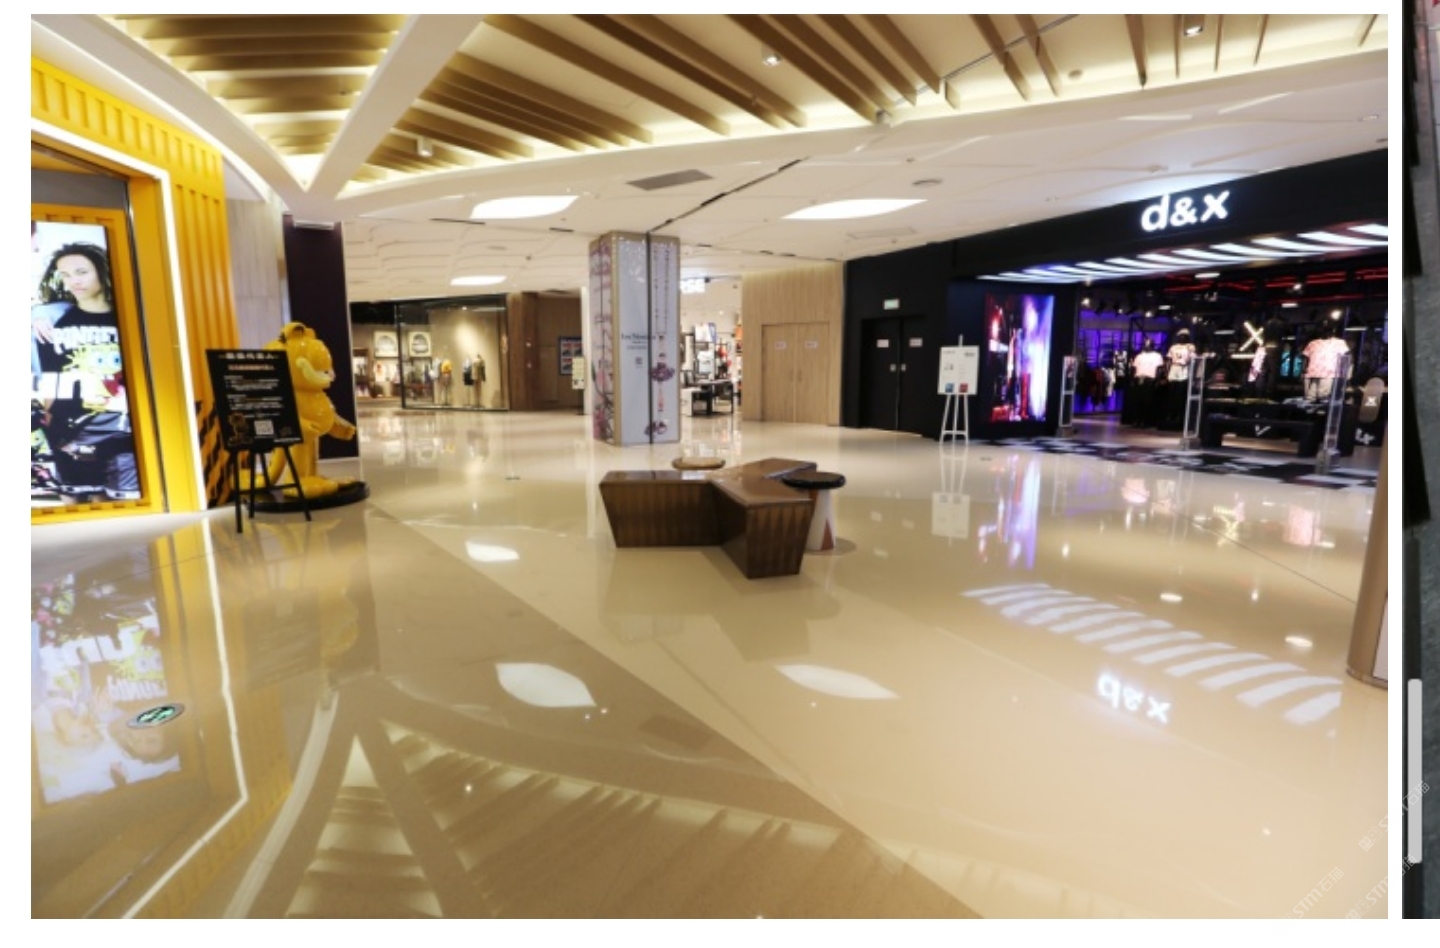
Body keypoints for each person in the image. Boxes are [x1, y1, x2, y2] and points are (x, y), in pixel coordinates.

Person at [32, 241, 139, 502]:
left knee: (120, 501)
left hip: (124, 426)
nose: (74, 281)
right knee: (78, 501)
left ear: (102, 271)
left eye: (81, 272)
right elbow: (51, 379)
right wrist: (52, 429)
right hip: (74, 429)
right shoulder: (53, 323)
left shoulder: (129, 317)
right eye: (66, 275)